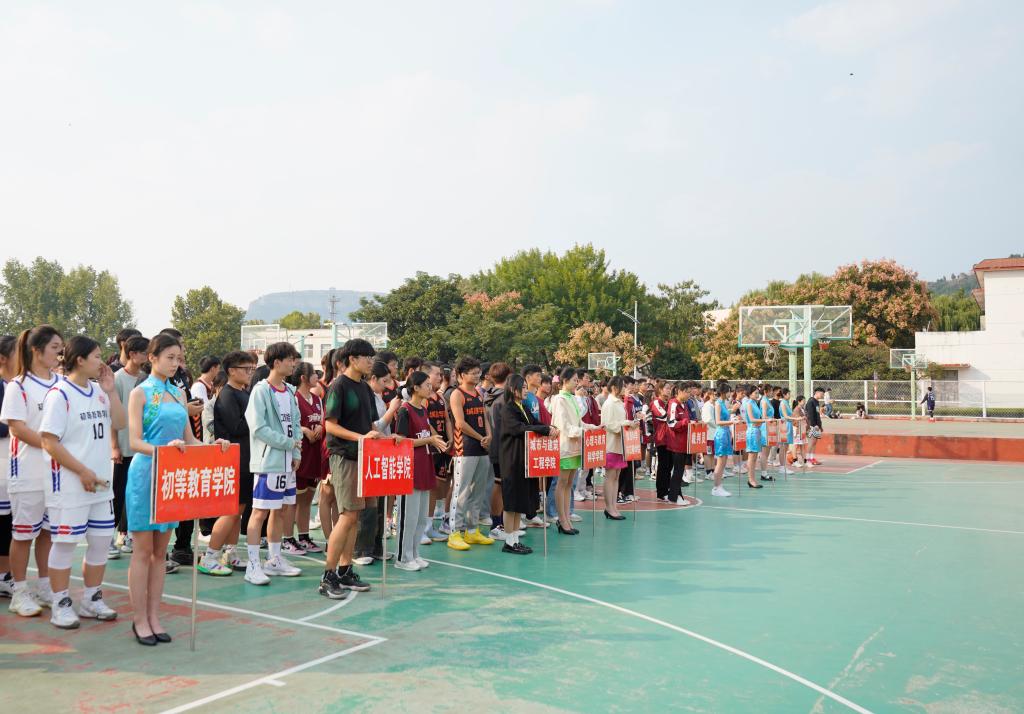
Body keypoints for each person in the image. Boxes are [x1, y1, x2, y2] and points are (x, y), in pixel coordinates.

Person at [125, 334, 229, 644]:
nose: (175, 363)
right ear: (152, 357)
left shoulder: (178, 392)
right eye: (169, 357)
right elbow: (135, 441)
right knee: (143, 552)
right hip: (146, 474)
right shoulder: (140, 393)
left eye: (178, 358)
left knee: (161, 552)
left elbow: (190, 440)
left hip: (171, 478)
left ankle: (154, 616)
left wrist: (215, 446)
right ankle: (139, 619)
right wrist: (164, 451)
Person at [38, 336, 127, 629]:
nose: (102, 362)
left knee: (100, 542)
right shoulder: (60, 394)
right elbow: (49, 442)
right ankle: (60, 603)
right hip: (70, 484)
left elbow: (120, 423)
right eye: (97, 356)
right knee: (65, 544)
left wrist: (111, 391)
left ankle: (91, 598)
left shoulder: (99, 391)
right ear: (80, 359)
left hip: (100, 484)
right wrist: (82, 471)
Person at [320, 339, 390, 599]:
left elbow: (371, 425)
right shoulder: (339, 386)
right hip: (345, 456)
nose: (371, 362)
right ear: (352, 359)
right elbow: (330, 425)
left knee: (355, 515)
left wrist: (384, 438)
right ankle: (328, 575)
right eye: (367, 357)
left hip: (363, 457)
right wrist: (361, 438)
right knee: (348, 515)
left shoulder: (364, 388)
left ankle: (345, 569)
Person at [1, 325, 63, 617]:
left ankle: (44, 585)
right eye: (54, 348)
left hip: (56, 473)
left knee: (48, 533)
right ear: (37, 351)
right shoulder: (19, 385)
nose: (59, 354)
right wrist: (52, 446)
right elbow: (17, 428)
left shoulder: (61, 383)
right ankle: (20, 591)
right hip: (28, 472)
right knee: (24, 534)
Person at [243, 342, 304, 586]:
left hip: (288, 462)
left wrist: (296, 450)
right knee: (260, 511)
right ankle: (252, 564)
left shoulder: (289, 391)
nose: (293, 364)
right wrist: (288, 443)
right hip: (269, 462)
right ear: (276, 362)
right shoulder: (261, 391)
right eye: (290, 360)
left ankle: (275, 559)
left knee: (281, 510)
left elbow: (296, 423)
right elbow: (258, 428)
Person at [199, 351, 257, 576]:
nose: (250, 373)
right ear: (232, 371)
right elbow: (236, 427)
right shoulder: (228, 395)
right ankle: (210, 555)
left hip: (246, 458)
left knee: (238, 510)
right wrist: (257, 417)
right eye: (246, 369)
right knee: (231, 510)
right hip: (234, 459)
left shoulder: (243, 392)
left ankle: (230, 552)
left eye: (252, 369)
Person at [498, 374, 557, 553]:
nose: (525, 390)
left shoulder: (522, 406)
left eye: (525, 387)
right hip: (512, 460)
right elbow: (519, 429)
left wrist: (549, 428)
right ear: (513, 389)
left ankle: (515, 539)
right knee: (511, 503)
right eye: (522, 387)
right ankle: (509, 542)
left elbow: (534, 422)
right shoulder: (508, 409)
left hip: (524, 460)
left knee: (519, 502)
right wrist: (543, 429)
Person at [394, 371, 445, 571]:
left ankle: (414, 554)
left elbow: (427, 435)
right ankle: (402, 558)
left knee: (420, 517)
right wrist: (429, 440)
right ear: (415, 387)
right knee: (408, 517)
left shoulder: (423, 409)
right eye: (427, 385)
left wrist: (435, 440)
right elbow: (400, 441)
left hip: (425, 464)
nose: (430, 388)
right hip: (410, 468)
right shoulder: (405, 410)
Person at [353, 360, 400, 566]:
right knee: (368, 505)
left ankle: (376, 546)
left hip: (382, 452)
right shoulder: (366, 397)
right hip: (369, 453)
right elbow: (374, 427)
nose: (388, 386)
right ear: (373, 379)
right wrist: (392, 411)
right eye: (384, 381)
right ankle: (361, 549)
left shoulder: (378, 397)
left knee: (380, 502)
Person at [446, 357, 494, 551]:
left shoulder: (479, 393)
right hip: (464, 449)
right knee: (461, 491)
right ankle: (454, 532)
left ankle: (472, 530)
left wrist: (489, 435)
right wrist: (480, 437)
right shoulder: (457, 394)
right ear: (461, 375)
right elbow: (460, 423)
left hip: (482, 448)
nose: (476, 375)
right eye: (473, 373)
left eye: (477, 372)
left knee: (478, 491)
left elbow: (484, 417)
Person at [110, 334, 149, 560]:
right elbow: (111, 416)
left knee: (135, 494)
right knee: (118, 494)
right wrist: (114, 446)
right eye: (145, 353)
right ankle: (108, 537)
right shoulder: (118, 379)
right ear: (132, 354)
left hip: (141, 447)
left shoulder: (146, 379)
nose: (148, 357)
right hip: (124, 447)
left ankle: (127, 535)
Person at [285, 361, 325, 555]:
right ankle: (287, 538)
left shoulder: (317, 399)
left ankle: (304, 536)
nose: (317, 377)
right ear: (303, 378)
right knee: (293, 500)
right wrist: (304, 430)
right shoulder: (293, 398)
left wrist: (320, 427)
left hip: (315, 454)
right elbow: (289, 425)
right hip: (300, 454)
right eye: (314, 374)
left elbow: (323, 420)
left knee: (307, 499)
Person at [550, 367, 592, 535]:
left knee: (569, 484)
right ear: (564, 381)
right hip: (565, 446)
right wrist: (582, 431)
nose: (577, 383)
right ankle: (562, 519)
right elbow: (563, 425)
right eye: (574, 380)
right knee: (562, 483)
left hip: (575, 446)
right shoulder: (559, 399)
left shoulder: (572, 398)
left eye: (577, 380)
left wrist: (592, 427)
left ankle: (566, 517)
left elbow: (579, 422)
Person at [0, 335, 18, 598]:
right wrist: (18, 426)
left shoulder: (16, 386)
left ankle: (5, 575)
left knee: (9, 523)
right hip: (2, 464)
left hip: (13, 465)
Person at [484, 362, 510, 539]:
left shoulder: (488, 395)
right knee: (500, 485)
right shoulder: (504, 398)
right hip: (503, 445)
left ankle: (500, 522)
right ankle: (496, 524)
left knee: (500, 484)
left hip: (494, 444)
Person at [600, 377, 632, 520]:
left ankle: (613, 506)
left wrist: (629, 423)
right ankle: (609, 507)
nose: (625, 388)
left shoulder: (618, 402)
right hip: (611, 444)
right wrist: (626, 424)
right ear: (614, 387)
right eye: (622, 386)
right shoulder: (609, 403)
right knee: (610, 476)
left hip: (620, 444)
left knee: (616, 476)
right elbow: (608, 424)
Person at [665, 383, 691, 504]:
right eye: (687, 392)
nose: (689, 394)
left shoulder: (684, 405)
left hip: (684, 442)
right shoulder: (673, 404)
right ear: (680, 391)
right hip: (676, 443)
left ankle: (677, 495)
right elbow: (671, 423)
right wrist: (686, 422)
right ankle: (673, 497)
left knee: (680, 470)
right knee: (678, 470)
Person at [708, 384, 734, 497]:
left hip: (726, 432)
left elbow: (726, 415)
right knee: (720, 462)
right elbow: (718, 421)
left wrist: (733, 412)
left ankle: (719, 486)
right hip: (721, 433)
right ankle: (716, 487)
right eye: (728, 391)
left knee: (724, 461)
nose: (730, 393)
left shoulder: (723, 403)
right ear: (723, 392)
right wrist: (732, 422)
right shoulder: (718, 403)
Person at [649, 380, 673, 500]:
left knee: (669, 465)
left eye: (670, 388)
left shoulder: (669, 402)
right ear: (660, 390)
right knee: (663, 465)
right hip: (661, 437)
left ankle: (667, 489)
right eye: (666, 388)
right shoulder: (656, 402)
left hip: (671, 438)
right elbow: (665, 416)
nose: (669, 390)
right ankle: (661, 492)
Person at [742, 385, 766, 489]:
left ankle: (752, 479)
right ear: (750, 393)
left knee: (754, 457)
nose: (757, 395)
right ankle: (751, 479)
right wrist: (765, 420)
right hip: (752, 431)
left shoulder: (754, 403)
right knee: (752, 457)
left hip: (757, 430)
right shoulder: (749, 403)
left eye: (757, 393)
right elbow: (751, 419)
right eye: (755, 393)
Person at [805, 387, 824, 467]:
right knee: (811, 442)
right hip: (811, 425)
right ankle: (807, 460)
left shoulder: (816, 402)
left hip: (816, 426)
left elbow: (817, 415)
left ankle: (812, 458)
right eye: (822, 394)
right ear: (817, 392)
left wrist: (820, 425)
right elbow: (810, 415)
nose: (822, 395)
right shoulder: (811, 401)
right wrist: (813, 425)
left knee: (814, 442)